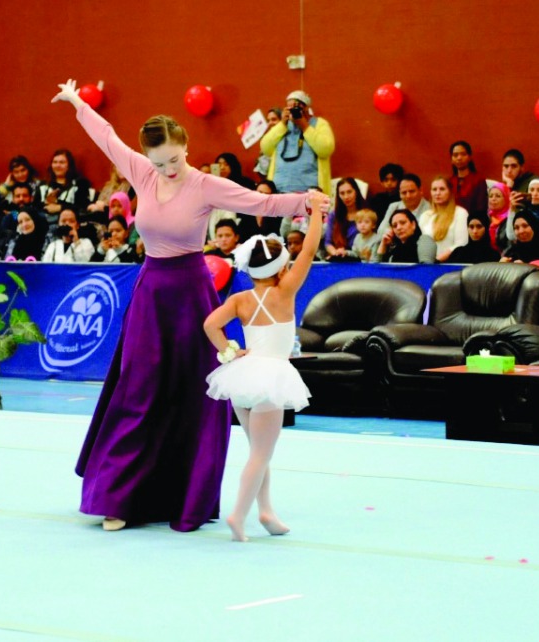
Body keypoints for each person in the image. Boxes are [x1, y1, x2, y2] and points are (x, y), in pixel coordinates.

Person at [54, 78, 329, 532]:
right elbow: (107, 137)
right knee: (139, 390)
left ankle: (187, 497)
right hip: (151, 293)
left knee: (192, 396)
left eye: (175, 159)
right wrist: (77, 102)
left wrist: (306, 201)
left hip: (191, 294)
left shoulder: (205, 185)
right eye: (159, 162)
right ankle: (120, 497)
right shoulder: (142, 171)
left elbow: (259, 201)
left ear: (186, 146)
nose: (168, 169)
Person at [202, 211, 323, 542]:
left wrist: (228, 352)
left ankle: (266, 511)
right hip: (270, 378)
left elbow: (210, 324)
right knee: (261, 454)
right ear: (282, 267)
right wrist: (317, 215)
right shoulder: (285, 291)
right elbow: (309, 251)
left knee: (259, 450)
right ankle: (238, 515)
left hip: (243, 376)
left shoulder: (240, 299)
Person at [259, 89, 334, 194]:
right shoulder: (283, 126)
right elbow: (265, 148)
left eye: (296, 107)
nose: (292, 111)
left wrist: (304, 125)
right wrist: (282, 124)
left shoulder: (319, 124)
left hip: (309, 192)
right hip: (279, 191)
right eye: (289, 108)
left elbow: (326, 149)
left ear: (307, 108)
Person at [420, 176, 469, 262]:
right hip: (427, 265)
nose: (437, 193)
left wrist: (438, 260)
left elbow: (461, 244)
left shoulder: (460, 213)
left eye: (442, 189)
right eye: (434, 189)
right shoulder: (425, 216)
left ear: (450, 191)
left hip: (451, 264)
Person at [39, 148, 92, 222]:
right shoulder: (43, 186)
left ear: (69, 165)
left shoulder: (80, 183)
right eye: (55, 162)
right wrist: (46, 204)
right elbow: (34, 208)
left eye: (62, 162)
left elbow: (83, 207)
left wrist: (60, 207)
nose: (58, 165)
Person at [447, 141, 489, 220]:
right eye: (455, 155)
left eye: (463, 154)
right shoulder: (449, 182)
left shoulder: (478, 180)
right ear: (451, 159)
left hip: (472, 223)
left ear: (470, 157)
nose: (459, 158)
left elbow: (481, 208)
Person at [324, 177, 365, 259]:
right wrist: (336, 253)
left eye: (349, 192)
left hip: (360, 258)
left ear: (356, 192)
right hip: (339, 257)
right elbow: (327, 243)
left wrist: (347, 253)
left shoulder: (367, 213)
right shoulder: (334, 215)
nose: (346, 197)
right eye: (342, 193)